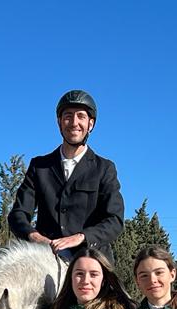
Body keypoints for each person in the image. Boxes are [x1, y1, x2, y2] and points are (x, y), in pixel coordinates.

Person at [8, 89, 125, 263]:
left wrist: (81, 237)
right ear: (59, 122)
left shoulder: (105, 168)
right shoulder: (39, 166)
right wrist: (36, 237)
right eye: (68, 116)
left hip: (91, 258)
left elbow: (114, 220)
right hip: (46, 258)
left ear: (90, 124)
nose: (74, 122)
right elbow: (18, 214)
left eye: (81, 116)